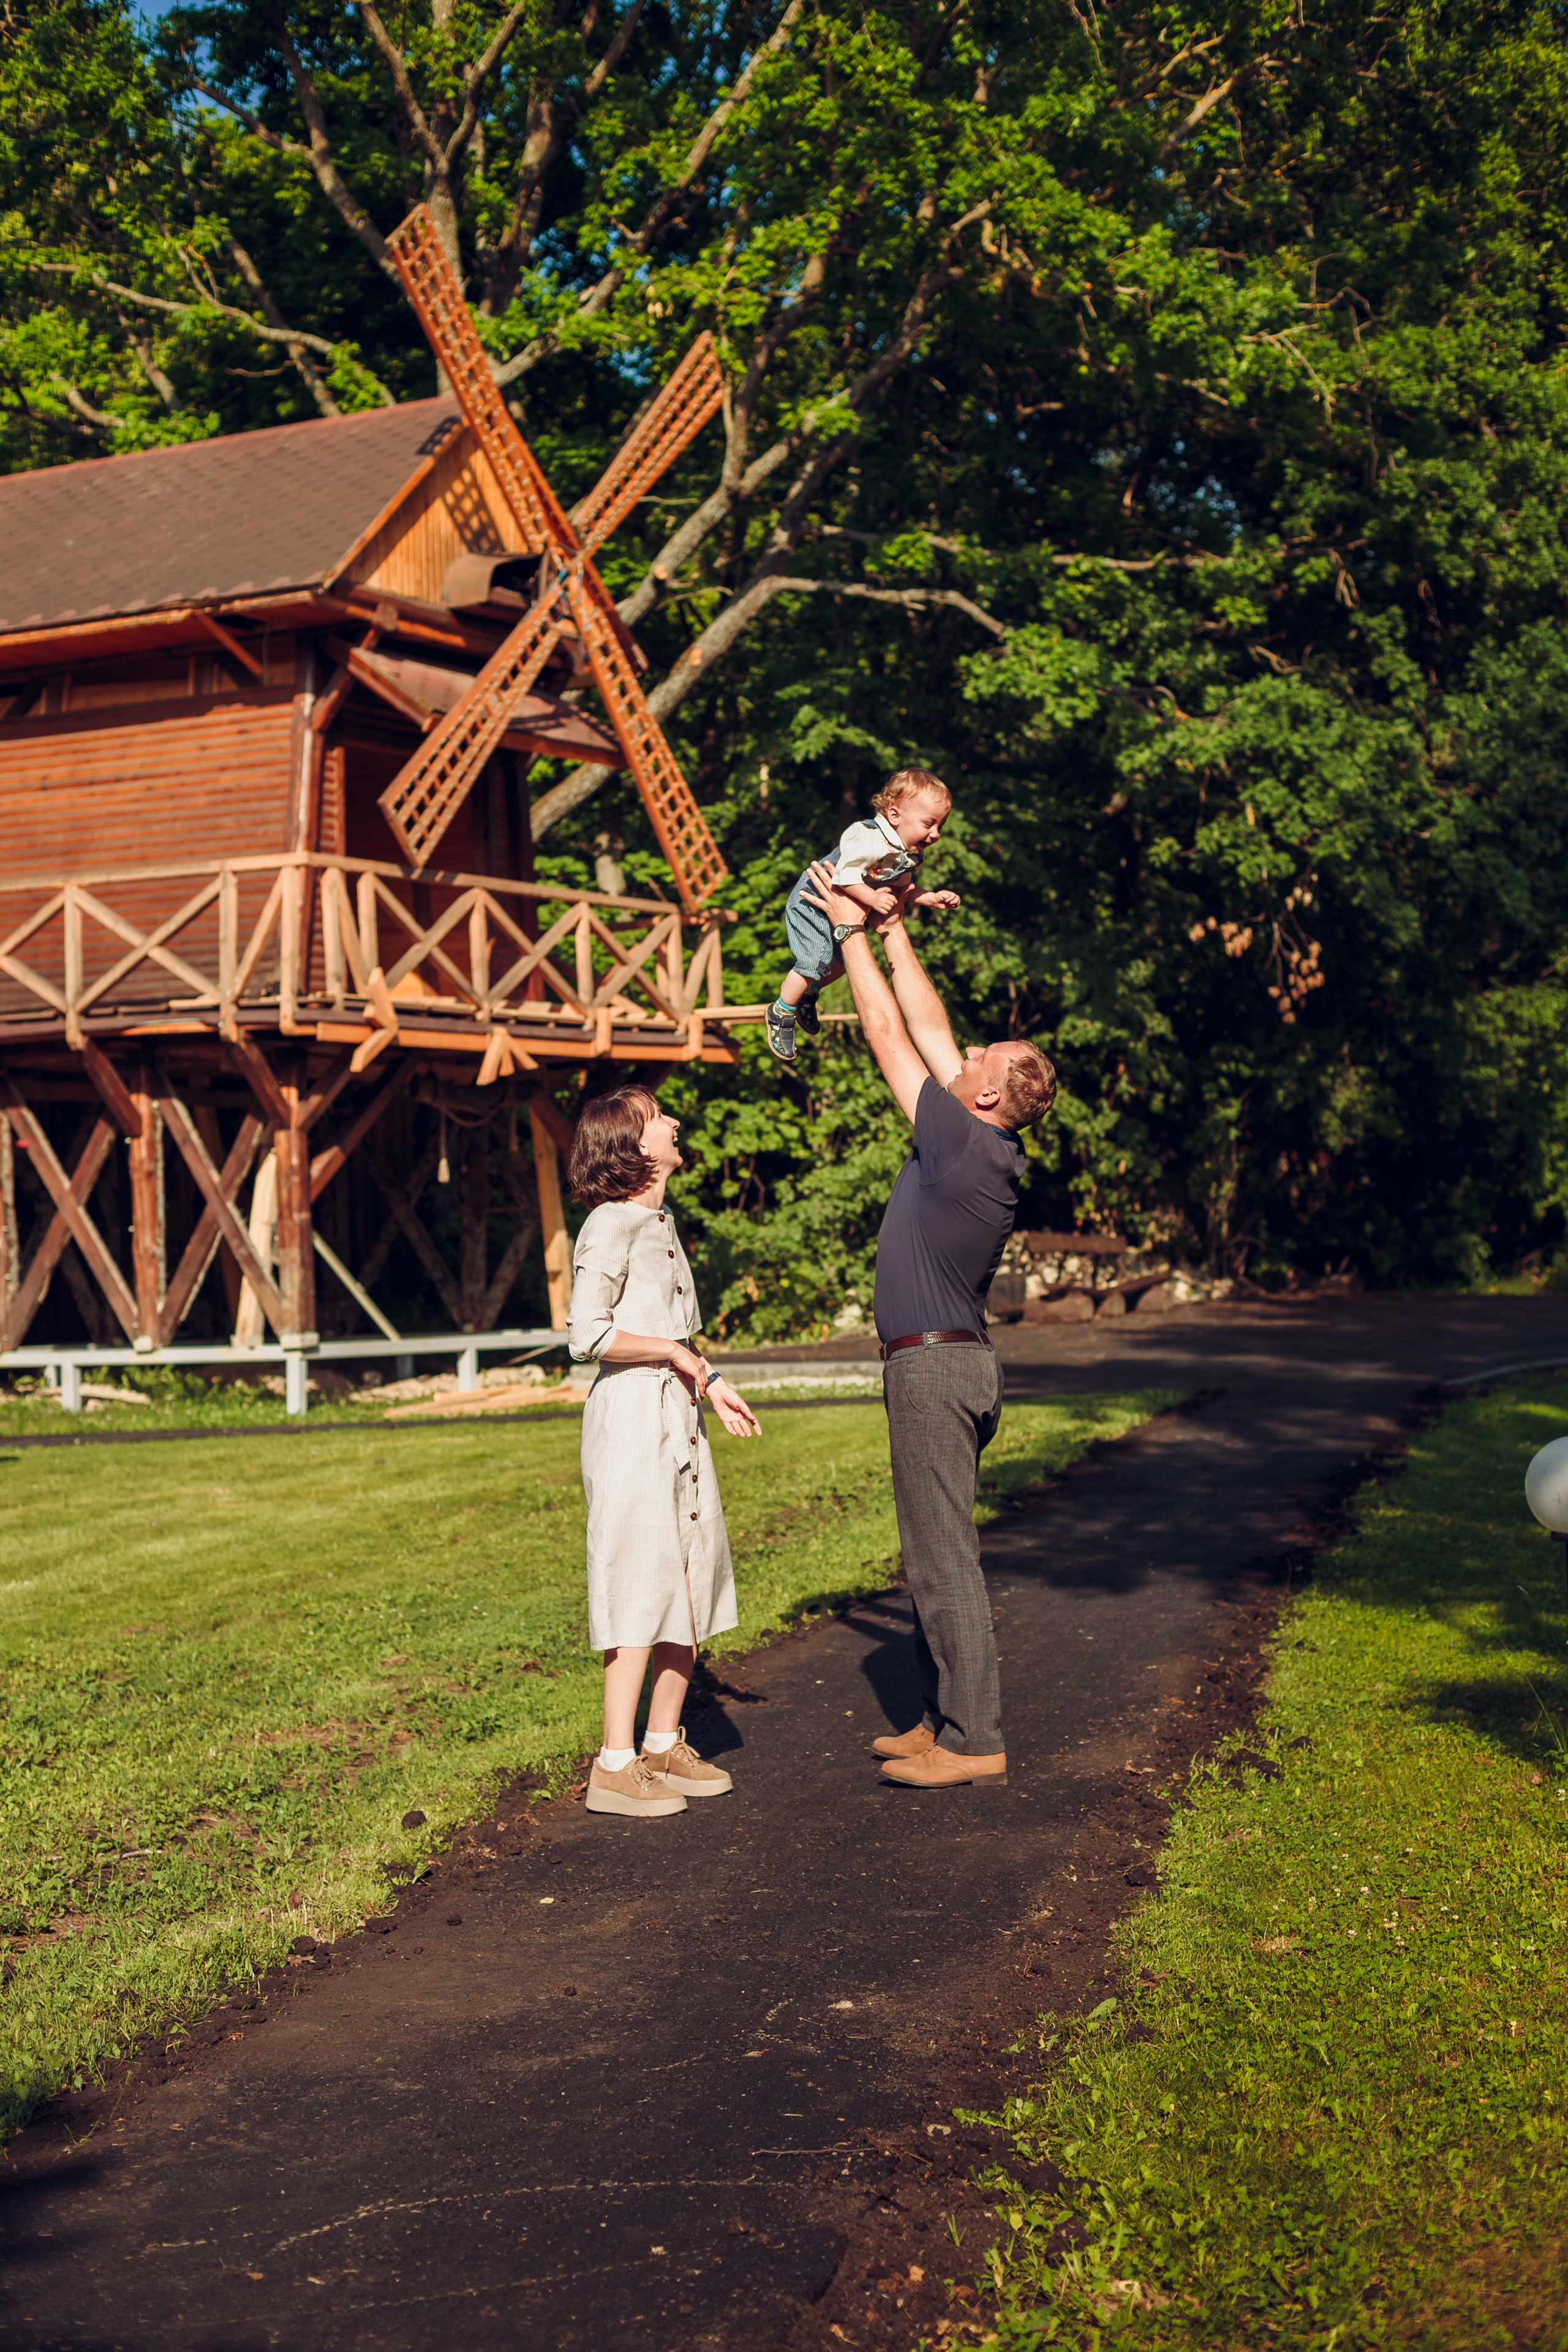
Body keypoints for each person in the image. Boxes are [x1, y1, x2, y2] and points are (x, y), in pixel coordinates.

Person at [801, 859, 1056, 1789]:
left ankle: (975, 1738)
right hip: (952, 1366)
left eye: (980, 1063)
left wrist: (849, 930)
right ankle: (935, 1716)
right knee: (930, 1547)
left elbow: (884, 1028)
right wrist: (896, 922)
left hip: (934, 1369)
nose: (964, 1058)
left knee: (942, 1556)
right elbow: (932, 1024)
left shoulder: (959, 1138)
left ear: (985, 1095)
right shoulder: (982, 1134)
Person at [566, 1084, 761, 1820]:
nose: (674, 1122)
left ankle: (661, 1742)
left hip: (677, 1414)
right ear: (630, 1146)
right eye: (656, 1119)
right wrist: (681, 1361)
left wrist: (707, 1379)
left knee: (690, 1573)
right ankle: (614, 1765)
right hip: (631, 1419)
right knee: (638, 1575)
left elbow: (670, 1336)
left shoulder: (661, 1224)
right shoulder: (608, 1225)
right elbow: (588, 1334)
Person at [766, 767, 962, 1062]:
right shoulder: (868, 837)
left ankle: (808, 992)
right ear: (895, 816)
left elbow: (902, 888)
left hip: (840, 909)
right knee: (813, 961)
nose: (935, 834)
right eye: (929, 824)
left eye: (940, 827)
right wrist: (871, 897)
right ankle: (781, 1010)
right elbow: (844, 876)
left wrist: (930, 898)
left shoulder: (906, 852)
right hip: (813, 902)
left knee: (845, 964)